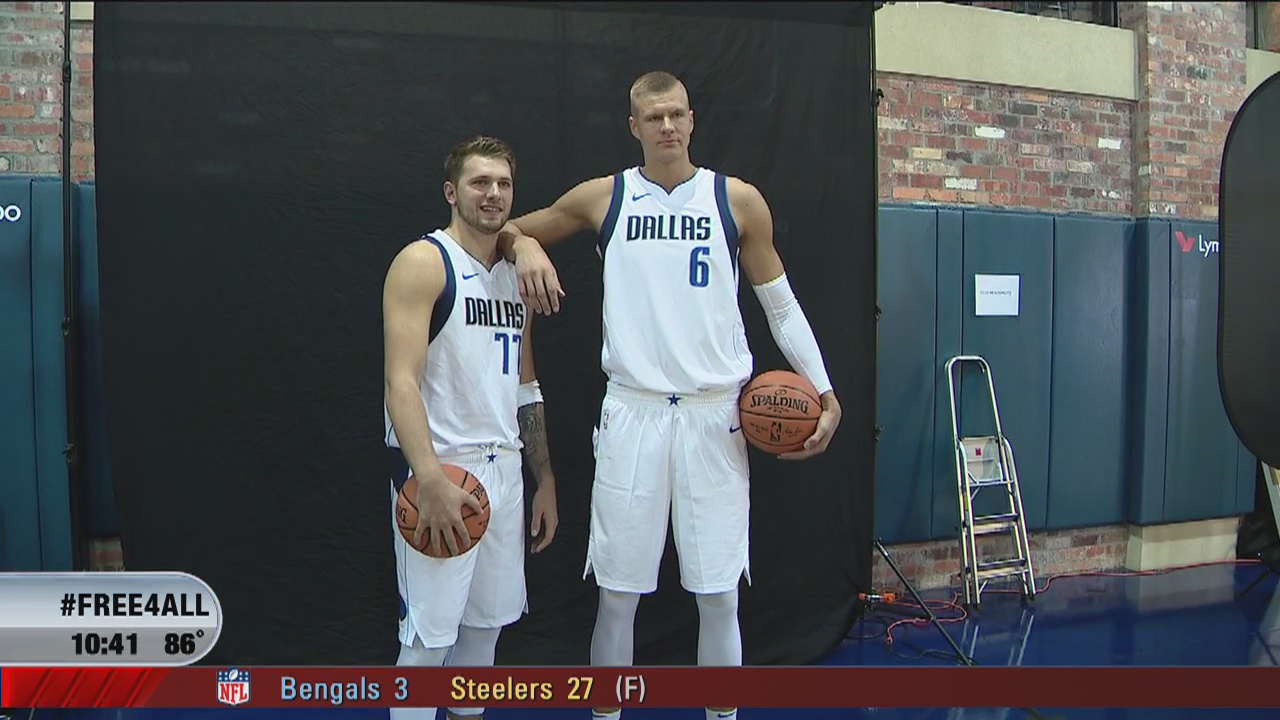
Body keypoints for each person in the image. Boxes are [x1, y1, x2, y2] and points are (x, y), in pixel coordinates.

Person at [496, 71, 842, 720]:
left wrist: (824, 390)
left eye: (677, 115)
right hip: (634, 412)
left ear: (692, 120)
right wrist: (525, 247)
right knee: (618, 595)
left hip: (717, 417)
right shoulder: (606, 198)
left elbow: (783, 308)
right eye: (654, 117)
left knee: (718, 596)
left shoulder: (736, 201)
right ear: (634, 126)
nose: (668, 127)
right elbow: (509, 229)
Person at [382, 135, 560, 720]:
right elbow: (400, 383)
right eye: (481, 182)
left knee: (484, 633)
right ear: (451, 191)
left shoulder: (516, 275)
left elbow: (525, 385)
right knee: (429, 640)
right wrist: (428, 477)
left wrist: (545, 479)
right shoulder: (423, 261)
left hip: (504, 469)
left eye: (504, 184)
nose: (494, 194)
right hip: (443, 466)